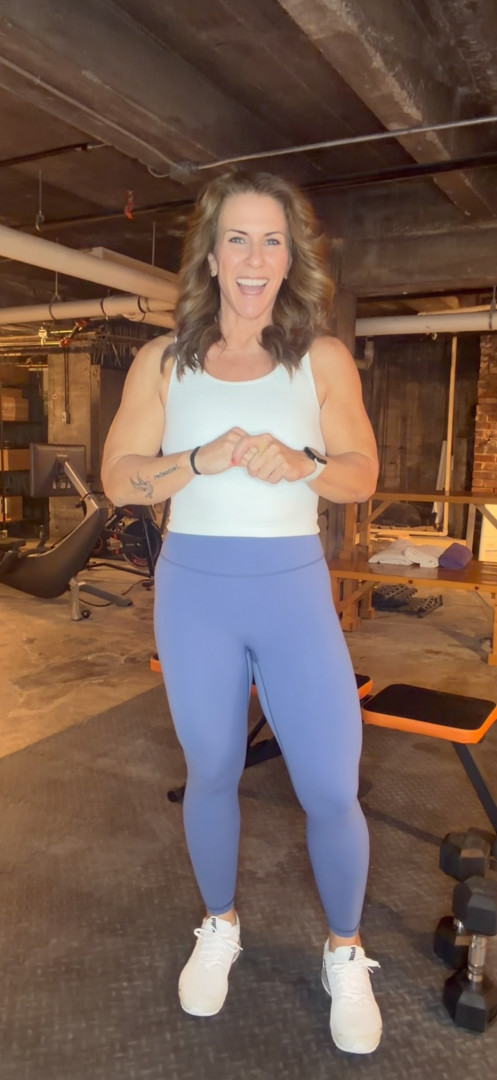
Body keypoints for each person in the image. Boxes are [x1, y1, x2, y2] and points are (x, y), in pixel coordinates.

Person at [101, 170, 381, 1055]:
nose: (254, 258)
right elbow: (120, 480)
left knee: (329, 785)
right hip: (196, 591)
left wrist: (302, 464)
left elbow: (361, 474)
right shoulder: (162, 362)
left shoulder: (321, 359)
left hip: (293, 589)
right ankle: (219, 924)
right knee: (213, 767)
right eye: (237, 239)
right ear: (211, 256)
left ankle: (345, 951)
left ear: (290, 258)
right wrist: (198, 459)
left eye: (271, 240)